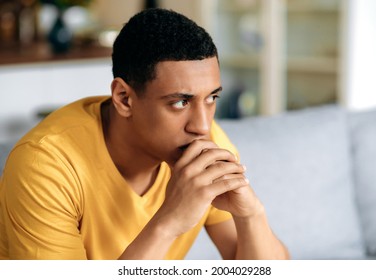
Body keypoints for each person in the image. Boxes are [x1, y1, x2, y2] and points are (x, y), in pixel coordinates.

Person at [0, 8, 289, 260]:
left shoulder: (205, 144)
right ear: (125, 98)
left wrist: (250, 214)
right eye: (180, 102)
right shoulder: (44, 167)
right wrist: (169, 222)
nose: (202, 125)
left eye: (211, 98)